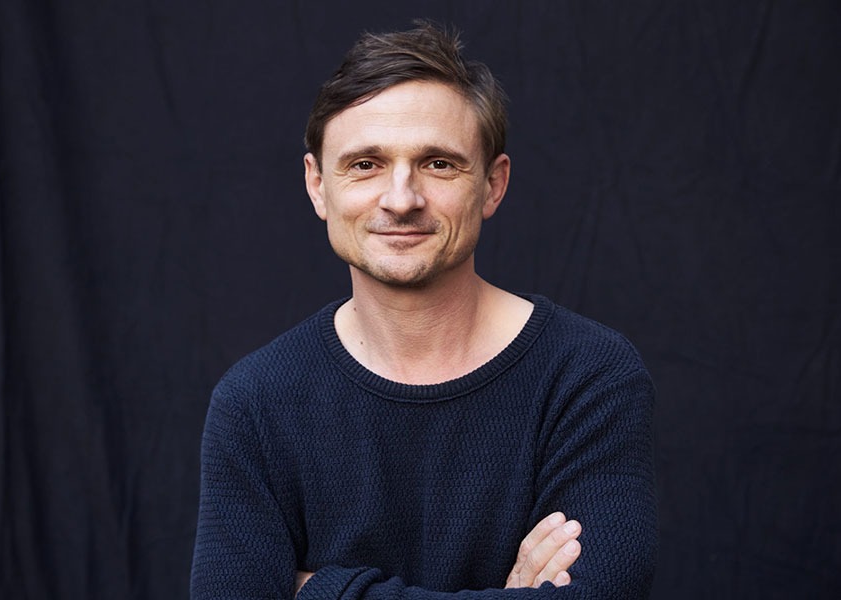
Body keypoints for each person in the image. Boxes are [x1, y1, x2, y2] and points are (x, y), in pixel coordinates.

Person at [190, 22, 656, 599]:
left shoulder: (589, 376)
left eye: (438, 164)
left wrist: (319, 590)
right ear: (317, 185)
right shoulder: (256, 403)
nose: (401, 199)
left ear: (493, 185)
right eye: (365, 164)